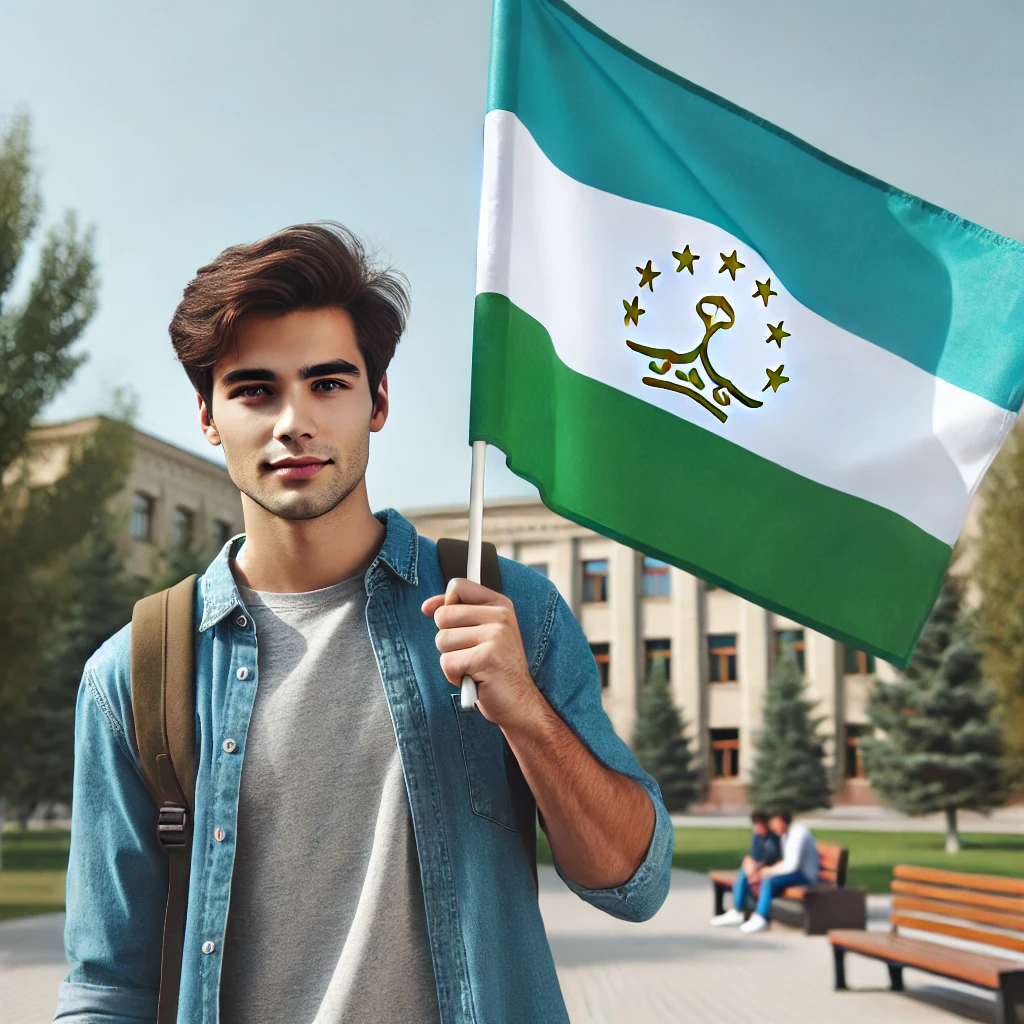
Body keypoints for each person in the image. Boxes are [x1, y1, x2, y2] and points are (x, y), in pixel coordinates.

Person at [54, 223, 674, 1024]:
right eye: (253, 390)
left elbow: (636, 883)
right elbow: (106, 984)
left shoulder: (505, 607)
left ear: (377, 402)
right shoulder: (136, 671)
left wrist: (526, 712)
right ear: (208, 416)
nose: (293, 421)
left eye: (327, 383)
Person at [711, 809, 819, 934]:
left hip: (805, 876)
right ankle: (737, 911)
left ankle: (761, 917)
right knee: (746, 871)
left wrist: (766, 872)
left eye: (773, 822)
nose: (772, 827)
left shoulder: (798, 832)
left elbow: (792, 865)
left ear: (780, 819)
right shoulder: (785, 833)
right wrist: (756, 867)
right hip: (793, 872)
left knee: (769, 880)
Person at [710, 810, 780, 928]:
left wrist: (755, 869)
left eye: (760, 824)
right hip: (759, 871)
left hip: (771, 871)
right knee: (744, 870)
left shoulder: (773, 840)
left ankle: (738, 911)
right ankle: (737, 911)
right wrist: (750, 865)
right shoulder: (758, 837)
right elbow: (755, 857)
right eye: (756, 824)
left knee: (745, 873)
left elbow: (770, 860)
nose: (757, 827)